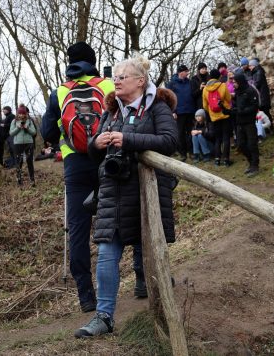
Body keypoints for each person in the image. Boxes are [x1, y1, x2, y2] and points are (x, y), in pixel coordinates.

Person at [76, 54, 178, 338]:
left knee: (150, 252)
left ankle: (161, 314)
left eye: (123, 76)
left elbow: (170, 142)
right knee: (107, 254)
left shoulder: (157, 107)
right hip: (113, 192)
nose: (116, 81)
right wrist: (97, 142)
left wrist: (128, 140)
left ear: (140, 81)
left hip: (146, 192)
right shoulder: (112, 111)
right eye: (115, 76)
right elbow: (93, 150)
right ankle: (104, 317)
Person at [41, 41, 116, 312]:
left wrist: (66, 135)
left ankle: (86, 295)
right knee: (121, 218)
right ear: (93, 61)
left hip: (75, 165)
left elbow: (47, 133)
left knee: (78, 229)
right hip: (108, 159)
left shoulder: (60, 91)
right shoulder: (108, 86)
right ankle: (141, 278)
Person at [202, 68, 232, 166]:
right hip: (225, 115)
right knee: (226, 137)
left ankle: (217, 159)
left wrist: (211, 112)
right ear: (219, 76)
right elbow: (229, 98)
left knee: (218, 138)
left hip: (214, 117)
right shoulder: (222, 85)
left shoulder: (205, 89)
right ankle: (226, 160)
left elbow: (205, 105)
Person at [166, 64, 195, 162]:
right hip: (179, 112)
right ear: (181, 72)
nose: (187, 73)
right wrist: (173, 111)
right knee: (180, 133)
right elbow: (169, 98)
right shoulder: (172, 83)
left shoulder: (189, 82)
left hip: (190, 111)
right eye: (186, 71)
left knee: (190, 132)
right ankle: (182, 153)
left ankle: (191, 152)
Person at [233, 72, 259, 175]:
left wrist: (242, 111)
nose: (233, 84)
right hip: (239, 123)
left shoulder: (251, 91)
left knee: (252, 144)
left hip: (250, 122)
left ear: (240, 81)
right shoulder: (238, 92)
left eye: (235, 82)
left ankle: (255, 166)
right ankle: (250, 163)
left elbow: (255, 106)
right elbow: (238, 106)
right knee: (241, 145)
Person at [10, 105, 37, 186]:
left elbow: (34, 132)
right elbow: (11, 133)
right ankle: (19, 181)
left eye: (23, 113)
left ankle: (32, 180)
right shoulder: (14, 121)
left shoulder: (30, 121)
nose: (21, 115)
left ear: (25, 114)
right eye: (20, 113)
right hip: (17, 144)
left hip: (29, 143)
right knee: (19, 162)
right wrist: (18, 128)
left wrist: (27, 128)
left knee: (29, 162)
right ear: (17, 114)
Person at [246, 58, 273, 131]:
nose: (249, 67)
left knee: (266, 113)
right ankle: (268, 129)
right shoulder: (256, 72)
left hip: (262, 95)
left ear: (254, 65)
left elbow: (257, 84)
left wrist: (251, 86)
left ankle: (271, 128)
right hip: (261, 95)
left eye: (250, 66)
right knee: (263, 113)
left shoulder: (258, 72)